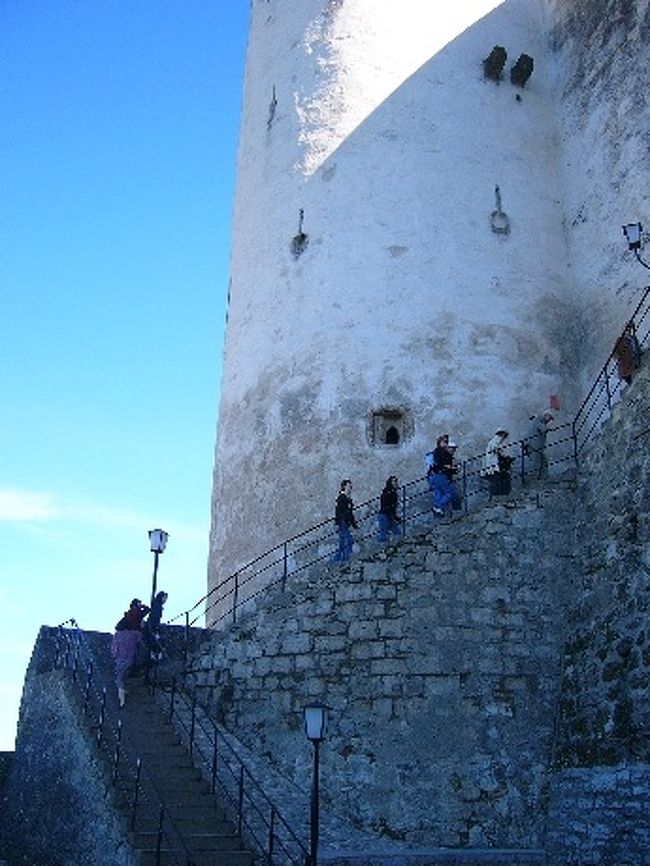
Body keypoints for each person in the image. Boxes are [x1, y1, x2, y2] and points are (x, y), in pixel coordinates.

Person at [111, 599, 149, 707]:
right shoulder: (135, 632)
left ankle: (122, 699)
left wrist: (114, 655)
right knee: (124, 674)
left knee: (120, 677)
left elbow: (114, 648)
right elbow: (143, 644)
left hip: (120, 657)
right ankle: (122, 696)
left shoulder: (119, 633)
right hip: (130, 656)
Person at [428, 437, 461, 515]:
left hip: (432, 476)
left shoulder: (437, 453)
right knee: (451, 492)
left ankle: (438, 513)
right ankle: (437, 507)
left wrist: (453, 470)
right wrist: (452, 468)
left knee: (439, 495)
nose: (453, 450)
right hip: (440, 476)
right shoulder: (443, 453)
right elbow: (442, 465)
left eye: (454, 449)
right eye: (452, 448)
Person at [332, 479, 358, 562]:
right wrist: (340, 521)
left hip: (344, 522)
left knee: (342, 543)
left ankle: (337, 560)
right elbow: (340, 512)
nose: (350, 487)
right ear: (344, 486)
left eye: (350, 485)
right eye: (348, 485)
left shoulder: (347, 498)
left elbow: (350, 513)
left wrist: (353, 524)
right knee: (348, 540)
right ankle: (345, 559)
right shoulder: (341, 498)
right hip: (343, 522)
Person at [482, 428, 512, 495]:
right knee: (496, 482)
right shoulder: (495, 441)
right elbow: (497, 449)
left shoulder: (495, 442)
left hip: (496, 465)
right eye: (504, 436)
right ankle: (499, 495)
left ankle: (502, 494)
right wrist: (505, 456)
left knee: (503, 479)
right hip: (493, 466)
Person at [525, 412, 554, 479]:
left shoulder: (538, 420)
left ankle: (543, 477)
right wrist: (549, 427)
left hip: (537, 446)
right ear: (546, 416)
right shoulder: (537, 420)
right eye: (549, 419)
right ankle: (536, 478)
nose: (549, 421)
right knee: (536, 463)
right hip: (534, 446)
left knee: (543, 462)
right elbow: (543, 429)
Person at [143, 590, 168, 661]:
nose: (165, 600)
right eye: (164, 598)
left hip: (152, 626)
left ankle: (154, 656)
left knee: (156, 640)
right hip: (152, 626)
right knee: (157, 640)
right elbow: (154, 618)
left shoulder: (157, 605)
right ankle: (155, 656)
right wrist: (155, 629)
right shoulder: (157, 605)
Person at [377, 476, 401, 542]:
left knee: (397, 533)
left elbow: (392, 507)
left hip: (388, 515)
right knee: (384, 535)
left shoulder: (392, 493)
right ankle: (381, 549)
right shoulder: (387, 493)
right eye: (394, 481)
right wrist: (393, 517)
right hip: (385, 515)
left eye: (396, 481)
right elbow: (386, 506)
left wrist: (394, 517)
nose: (395, 483)